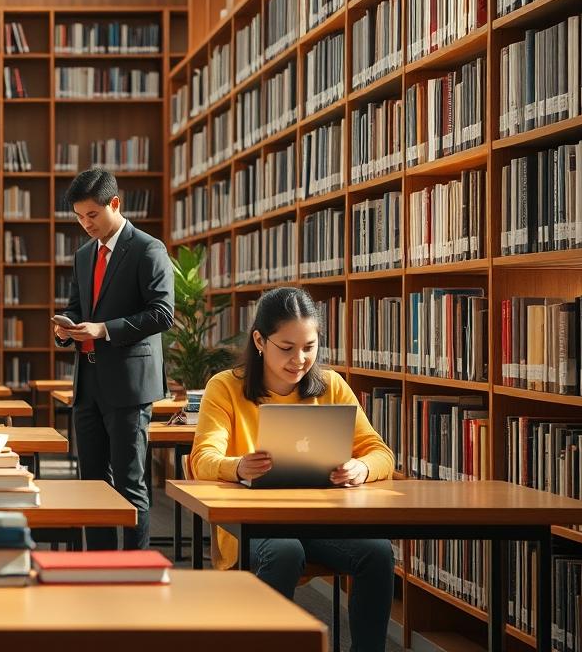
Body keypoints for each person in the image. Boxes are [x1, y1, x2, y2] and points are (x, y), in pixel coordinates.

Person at [188, 286, 396, 652]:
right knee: (284, 553)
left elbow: (380, 453)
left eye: (309, 347)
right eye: (286, 347)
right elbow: (202, 460)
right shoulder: (224, 388)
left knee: (377, 553)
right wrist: (237, 467)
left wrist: (360, 468)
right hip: (253, 523)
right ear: (259, 340)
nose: (299, 359)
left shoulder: (330, 385)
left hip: (320, 520)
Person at [52, 168, 174, 551]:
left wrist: (103, 329)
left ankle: (135, 571)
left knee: (129, 483)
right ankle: (99, 565)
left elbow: (162, 313)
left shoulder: (147, 248)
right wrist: (66, 329)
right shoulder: (84, 255)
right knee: (92, 485)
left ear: (114, 204)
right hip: (87, 386)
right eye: (79, 216)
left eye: (92, 215)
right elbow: (78, 307)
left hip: (129, 386)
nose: (85, 224)